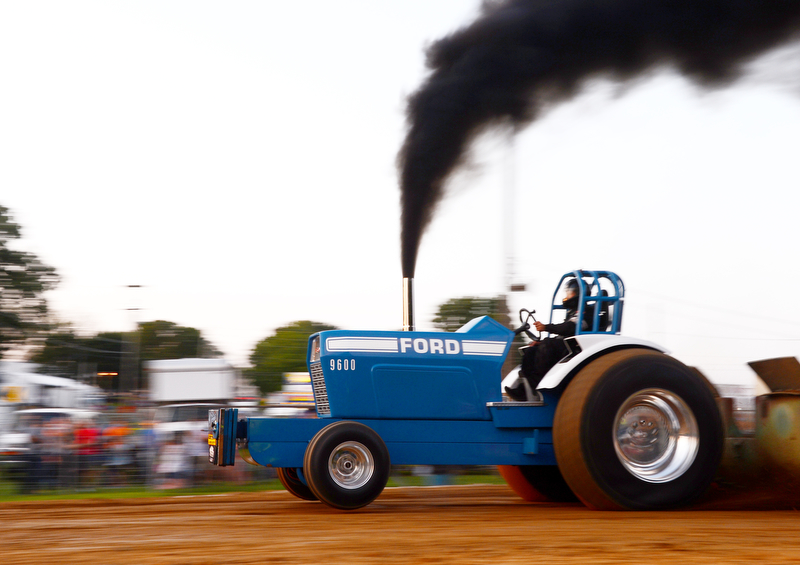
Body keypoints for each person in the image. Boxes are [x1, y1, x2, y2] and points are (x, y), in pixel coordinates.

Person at [505, 277, 588, 401]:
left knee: (547, 344)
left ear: (579, 294)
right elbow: (564, 332)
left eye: (570, 293)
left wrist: (546, 327)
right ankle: (525, 387)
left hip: (577, 348)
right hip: (566, 345)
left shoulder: (586, 312)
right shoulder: (573, 312)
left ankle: (539, 386)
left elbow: (570, 328)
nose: (567, 296)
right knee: (531, 349)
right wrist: (540, 342)